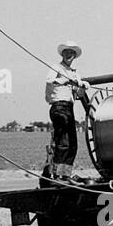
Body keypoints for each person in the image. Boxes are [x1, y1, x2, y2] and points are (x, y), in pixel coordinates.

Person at [45, 40, 91, 180]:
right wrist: (64, 81)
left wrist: (82, 85)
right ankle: (57, 175)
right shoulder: (56, 67)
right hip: (58, 107)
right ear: (62, 54)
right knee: (63, 142)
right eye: (66, 52)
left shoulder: (75, 73)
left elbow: (79, 94)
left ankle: (65, 175)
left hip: (69, 108)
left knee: (72, 144)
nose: (69, 55)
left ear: (74, 56)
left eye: (72, 53)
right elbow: (49, 80)